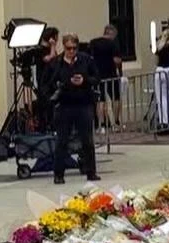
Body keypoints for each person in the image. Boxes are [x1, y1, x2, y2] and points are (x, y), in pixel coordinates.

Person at [45, 33, 100, 184]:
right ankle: (58, 174)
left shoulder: (85, 60)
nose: (71, 51)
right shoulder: (57, 63)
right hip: (65, 105)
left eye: (74, 48)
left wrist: (85, 80)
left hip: (83, 103)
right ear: (64, 47)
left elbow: (96, 77)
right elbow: (47, 82)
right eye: (69, 48)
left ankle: (91, 171)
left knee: (87, 140)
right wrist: (57, 91)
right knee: (62, 141)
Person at [88, 24, 124, 130]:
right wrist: (120, 70)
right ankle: (116, 123)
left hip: (97, 75)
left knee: (100, 100)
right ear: (112, 34)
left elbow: (90, 58)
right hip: (111, 74)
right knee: (115, 98)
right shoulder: (113, 44)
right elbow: (117, 60)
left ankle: (102, 125)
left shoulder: (93, 42)